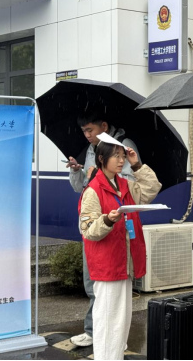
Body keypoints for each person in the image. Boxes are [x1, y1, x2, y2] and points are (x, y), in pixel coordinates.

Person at [79, 136, 161, 360]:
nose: (121, 160)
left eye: (123, 155)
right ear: (101, 158)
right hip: (107, 265)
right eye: (116, 156)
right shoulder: (93, 190)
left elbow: (152, 189)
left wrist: (137, 165)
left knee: (121, 321)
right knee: (108, 319)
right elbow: (88, 229)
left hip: (124, 263)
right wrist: (108, 220)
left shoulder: (124, 185)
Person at [68, 110, 141, 347]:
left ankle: (113, 340)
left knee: (116, 297)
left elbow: (132, 186)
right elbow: (82, 188)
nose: (87, 135)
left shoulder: (123, 146)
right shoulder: (92, 150)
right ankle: (97, 334)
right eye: (84, 131)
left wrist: (99, 176)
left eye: (90, 130)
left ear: (104, 126)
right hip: (97, 223)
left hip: (117, 228)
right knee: (95, 285)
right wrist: (78, 172)